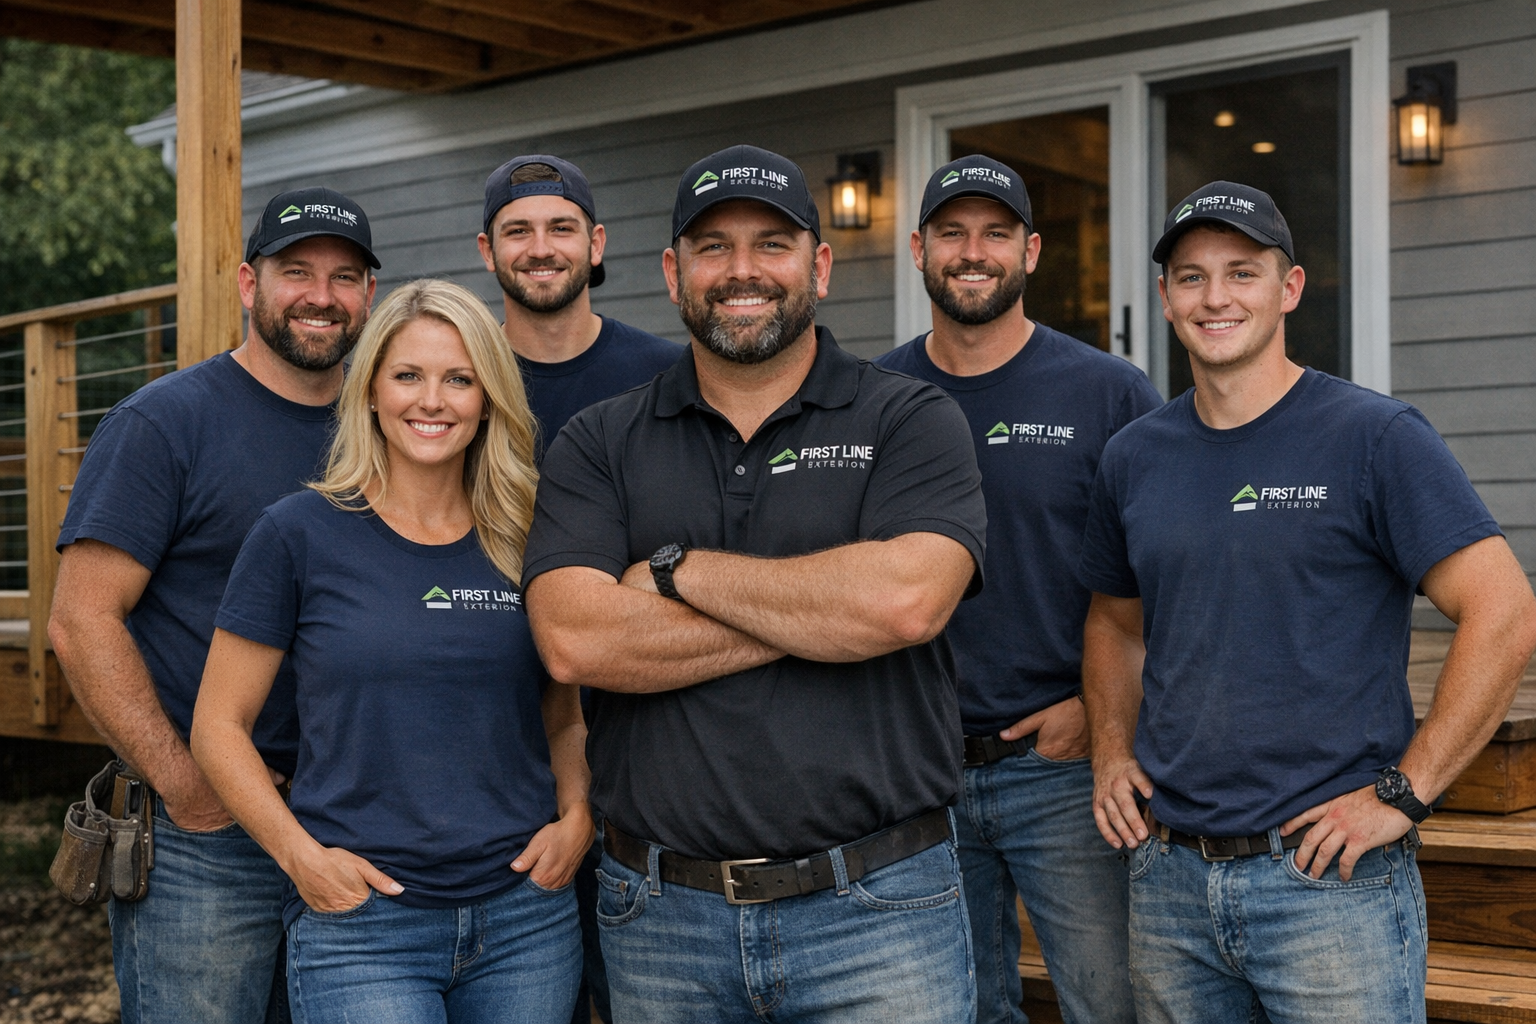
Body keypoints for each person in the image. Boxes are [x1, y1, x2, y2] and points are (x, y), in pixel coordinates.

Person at [522, 144, 988, 1024]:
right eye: (713, 247)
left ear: (820, 265)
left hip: (879, 911)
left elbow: (906, 603)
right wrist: (820, 615)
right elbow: (574, 640)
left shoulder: (910, 418)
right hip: (664, 919)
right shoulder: (600, 440)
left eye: (772, 244)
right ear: (673, 274)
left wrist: (676, 572)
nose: (743, 271)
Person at [1079, 180, 1536, 1024]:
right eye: (1191, 277)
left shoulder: (1374, 437)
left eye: (1242, 272)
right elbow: (1115, 621)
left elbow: (1503, 610)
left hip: (1326, 880)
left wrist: (1405, 793)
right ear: (1166, 299)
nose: (1215, 297)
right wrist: (1110, 751)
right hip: (1168, 876)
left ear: (1288, 288)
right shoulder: (1133, 456)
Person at [190, 279, 590, 1023]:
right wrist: (298, 856)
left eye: (459, 379)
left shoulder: (532, 534)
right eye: (408, 375)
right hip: (363, 925)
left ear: (489, 399)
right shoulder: (297, 534)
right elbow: (218, 725)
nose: (431, 401)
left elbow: (562, 713)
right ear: (371, 390)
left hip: (525, 920)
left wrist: (578, 816)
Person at [48, 187, 379, 1024]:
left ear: (370, 295)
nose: (321, 295)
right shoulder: (166, 423)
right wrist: (182, 781)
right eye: (296, 271)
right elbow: (81, 619)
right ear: (247, 283)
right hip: (211, 840)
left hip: (359, 826)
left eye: (344, 277)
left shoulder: (392, 426)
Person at [876, 154, 1159, 1024]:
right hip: (916, 774)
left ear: (1030, 252)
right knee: (956, 1010)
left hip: (1063, 767)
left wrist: (1096, 711)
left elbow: (1165, 575)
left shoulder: (1108, 392)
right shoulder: (872, 399)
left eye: (996, 233)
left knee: (1111, 1003)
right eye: (952, 233)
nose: (973, 252)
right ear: (919, 250)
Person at [476, 154, 680, 1023]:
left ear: (596, 244)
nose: (540, 247)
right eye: (517, 230)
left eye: (561, 228)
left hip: (651, 744)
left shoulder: (667, 375)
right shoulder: (457, 380)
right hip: (493, 747)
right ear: (486, 250)